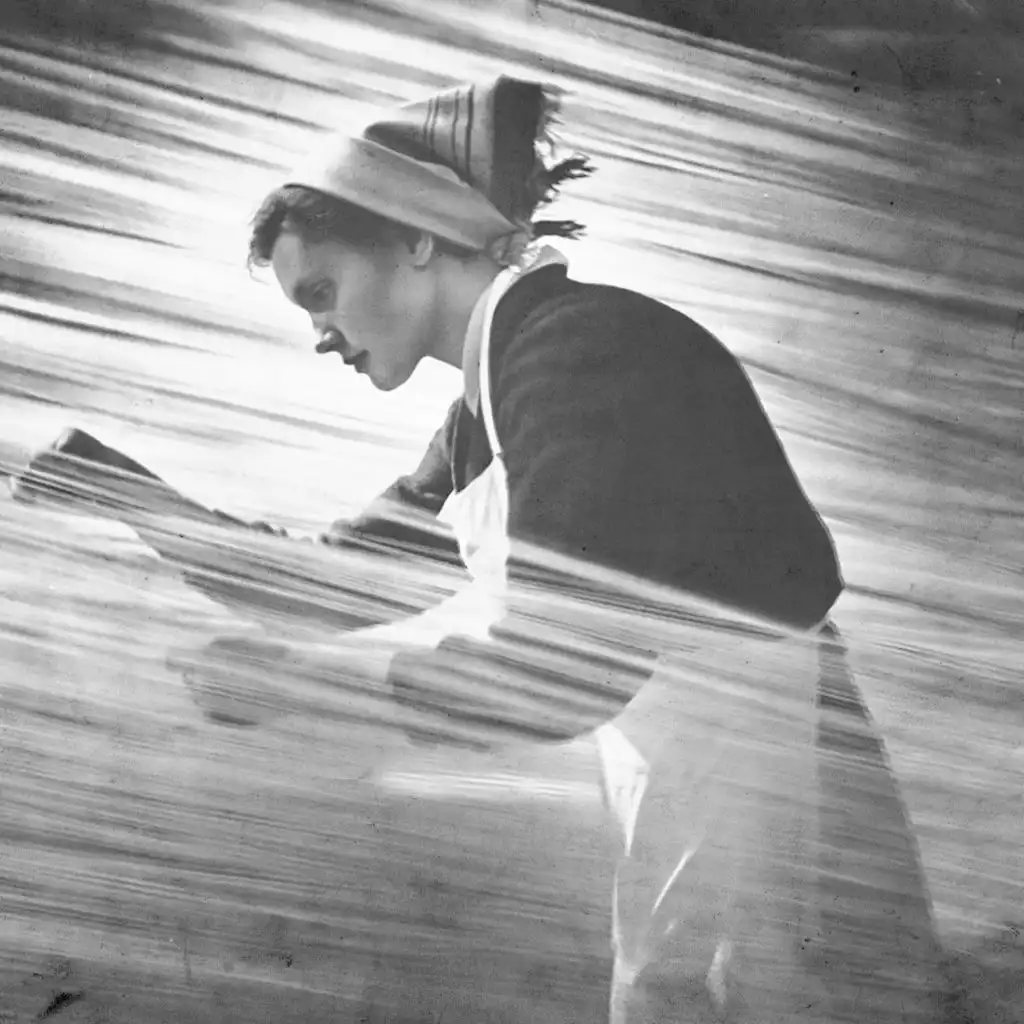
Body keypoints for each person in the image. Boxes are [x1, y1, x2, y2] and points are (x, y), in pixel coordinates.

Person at [13, 76, 948, 1022]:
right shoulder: (489, 408)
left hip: (775, 755)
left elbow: (562, 675)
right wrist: (130, 496)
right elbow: (338, 585)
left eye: (323, 293)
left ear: (418, 240)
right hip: (688, 755)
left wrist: (308, 684)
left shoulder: (583, 360)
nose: (321, 337)